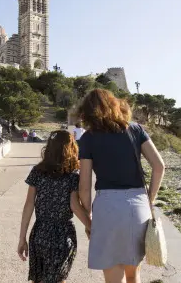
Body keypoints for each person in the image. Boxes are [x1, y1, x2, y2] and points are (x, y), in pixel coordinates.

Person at [76, 89, 166, 283]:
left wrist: (88, 218)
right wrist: (149, 199)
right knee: (134, 275)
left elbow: (84, 186)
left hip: (107, 207)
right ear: (115, 105)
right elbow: (159, 166)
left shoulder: (88, 138)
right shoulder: (135, 130)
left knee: (113, 278)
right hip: (137, 205)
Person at [17, 130, 91, 283]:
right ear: (71, 148)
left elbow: (29, 204)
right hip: (62, 234)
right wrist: (91, 226)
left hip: (39, 232)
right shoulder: (72, 175)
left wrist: (22, 238)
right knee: (57, 280)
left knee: (39, 279)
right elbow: (74, 205)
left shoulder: (37, 172)